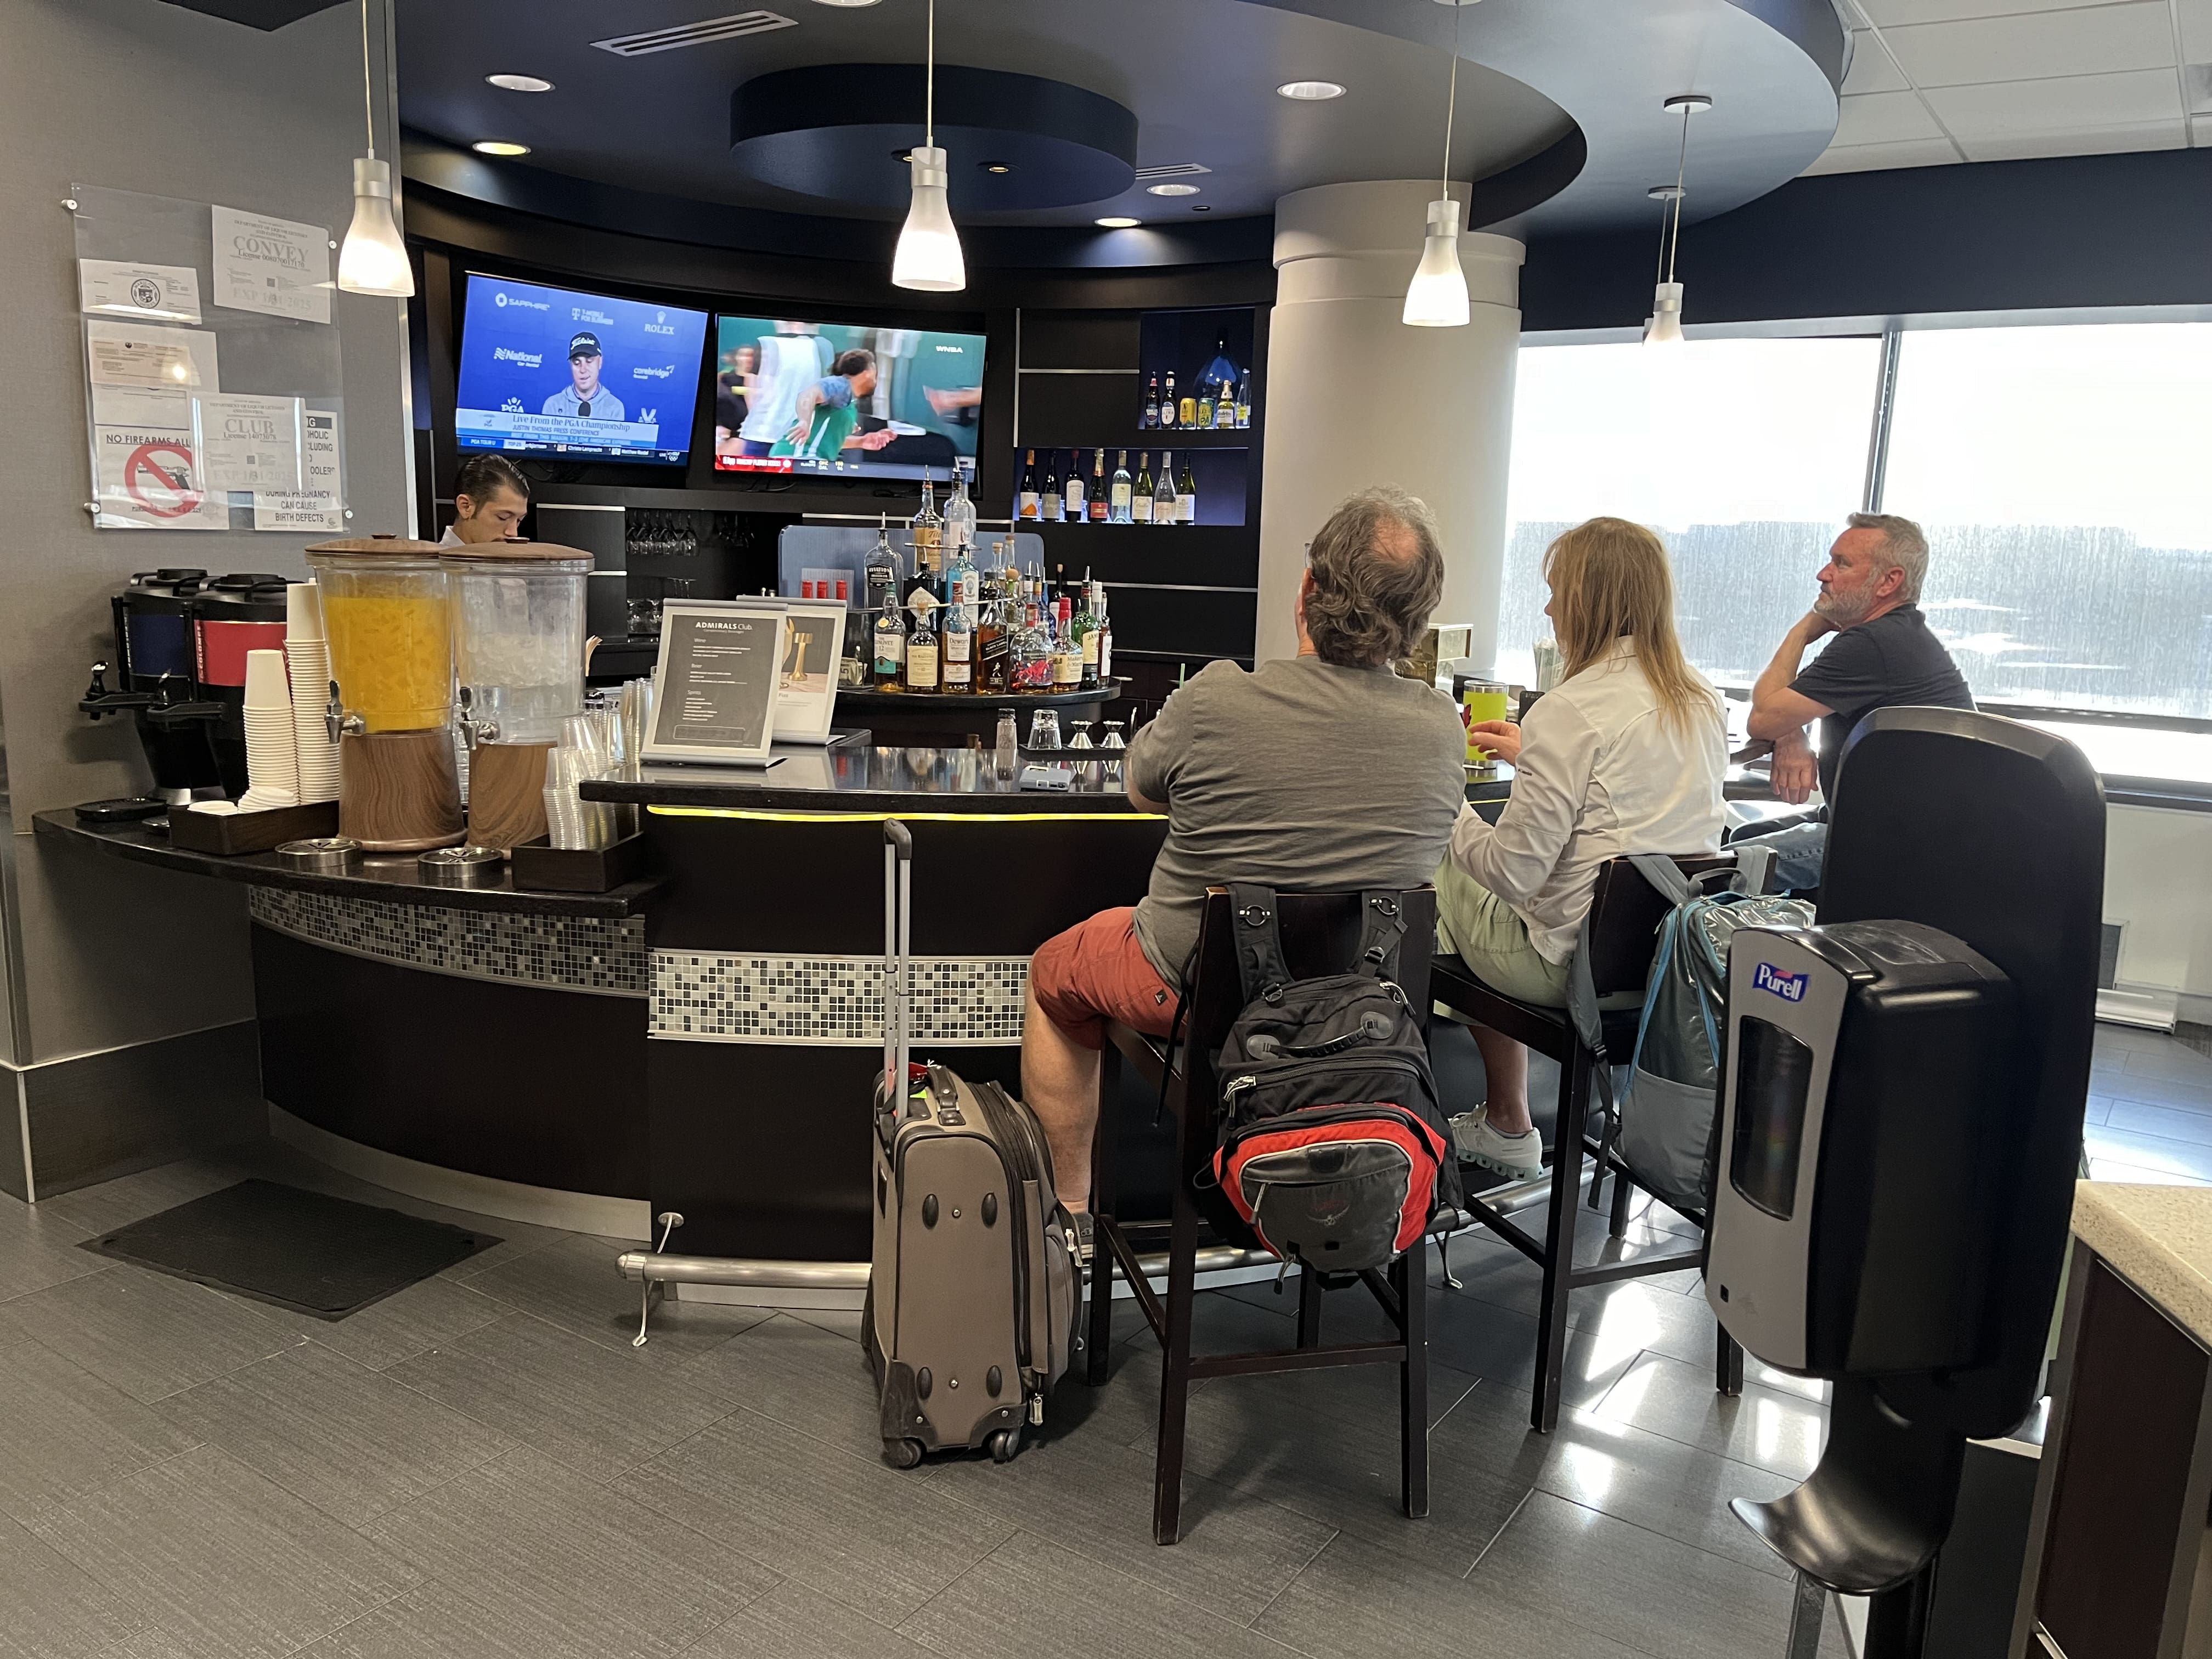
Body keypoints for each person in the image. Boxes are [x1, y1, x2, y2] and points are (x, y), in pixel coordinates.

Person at [1020, 487, 1468, 1240]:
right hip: (1368, 1015)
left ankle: (1068, 1225)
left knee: (1054, 972)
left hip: (1196, 997)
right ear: (1418, 624)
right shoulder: (1441, 730)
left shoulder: (1218, 698)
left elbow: (1137, 791)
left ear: (1309, 590)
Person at [1439, 517, 1727, 1181]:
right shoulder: (1702, 700)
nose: (1546, 608)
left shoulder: (1570, 708)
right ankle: (1504, 1115)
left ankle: (1483, 1117)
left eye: (1555, 592)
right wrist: (1532, 754)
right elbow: (1629, 797)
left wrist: (1445, 806)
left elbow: (1514, 873)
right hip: (1664, 968)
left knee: (1438, 861)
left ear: (1588, 600)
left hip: (1567, 974)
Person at [1737, 512, 1973, 889]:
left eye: (1841, 563)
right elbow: (1785, 707)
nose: (1823, 574)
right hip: (1880, 826)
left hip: (1901, 848)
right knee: (1740, 840)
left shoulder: (1873, 645)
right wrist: (1790, 733)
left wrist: (1802, 631)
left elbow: (1764, 716)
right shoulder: (1889, 636)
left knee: (1729, 870)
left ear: (1889, 582)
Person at [770, 348, 896, 461]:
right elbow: (808, 395)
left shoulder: (850, 404)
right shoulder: (840, 385)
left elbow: (826, 440)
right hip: (797, 457)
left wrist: (862, 441)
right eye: (875, 375)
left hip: (811, 459)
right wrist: (804, 422)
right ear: (866, 373)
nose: (876, 381)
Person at [442, 453, 529, 545]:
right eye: (503, 517)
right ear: (466, 506)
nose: (513, 533)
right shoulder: (430, 559)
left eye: (519, 520)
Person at [541, 332, 625, 422]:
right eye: (577, 363)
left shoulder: (615, 406)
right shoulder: (553, 404)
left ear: (600, 362)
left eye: (589, 361)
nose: (583, 370)